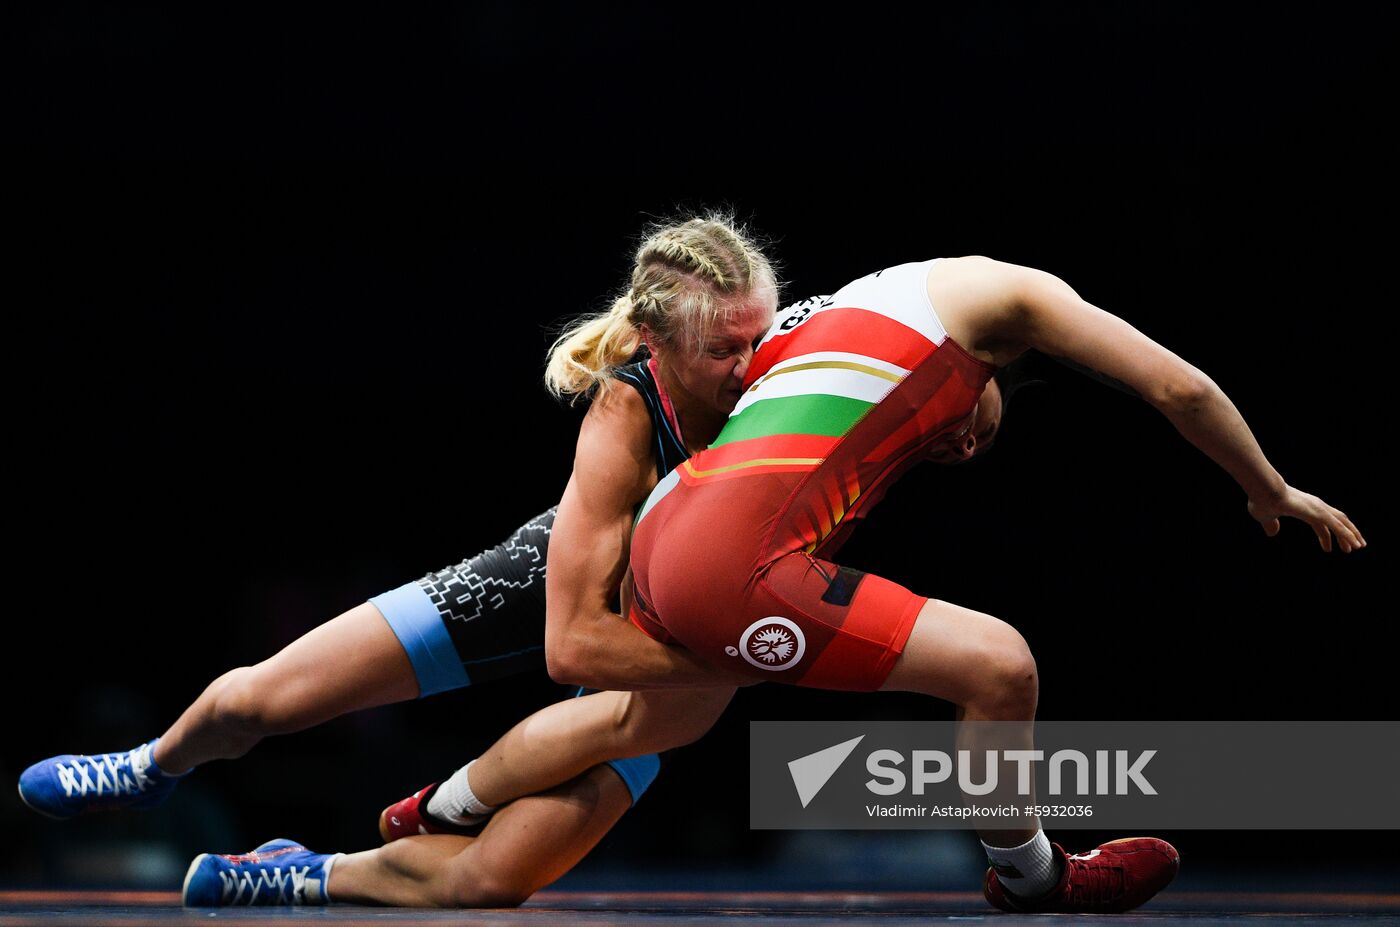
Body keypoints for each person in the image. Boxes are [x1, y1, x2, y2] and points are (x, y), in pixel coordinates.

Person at [335, 253, 1362, 914]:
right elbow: (1175, 385)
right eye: (972, 431)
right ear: (1001, 360)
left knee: (649, 720)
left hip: (674, 529)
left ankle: (438, 805)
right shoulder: (1016, 296)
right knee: (999, 667)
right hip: (721, 560)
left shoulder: (850, 307)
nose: (958, 442)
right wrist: (1265, 489)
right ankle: (1036, 876)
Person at [20, 214, 780, 907]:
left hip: (661, 641)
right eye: (722, 348)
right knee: (258, 704)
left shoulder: (789, 381)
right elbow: (572, 642)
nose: (749, 365)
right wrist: (750, 656)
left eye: (758, 336)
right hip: (536, 593)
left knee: (489, 880)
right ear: (654, 336)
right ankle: (153, 762)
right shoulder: (625, 407)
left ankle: (312, 870)